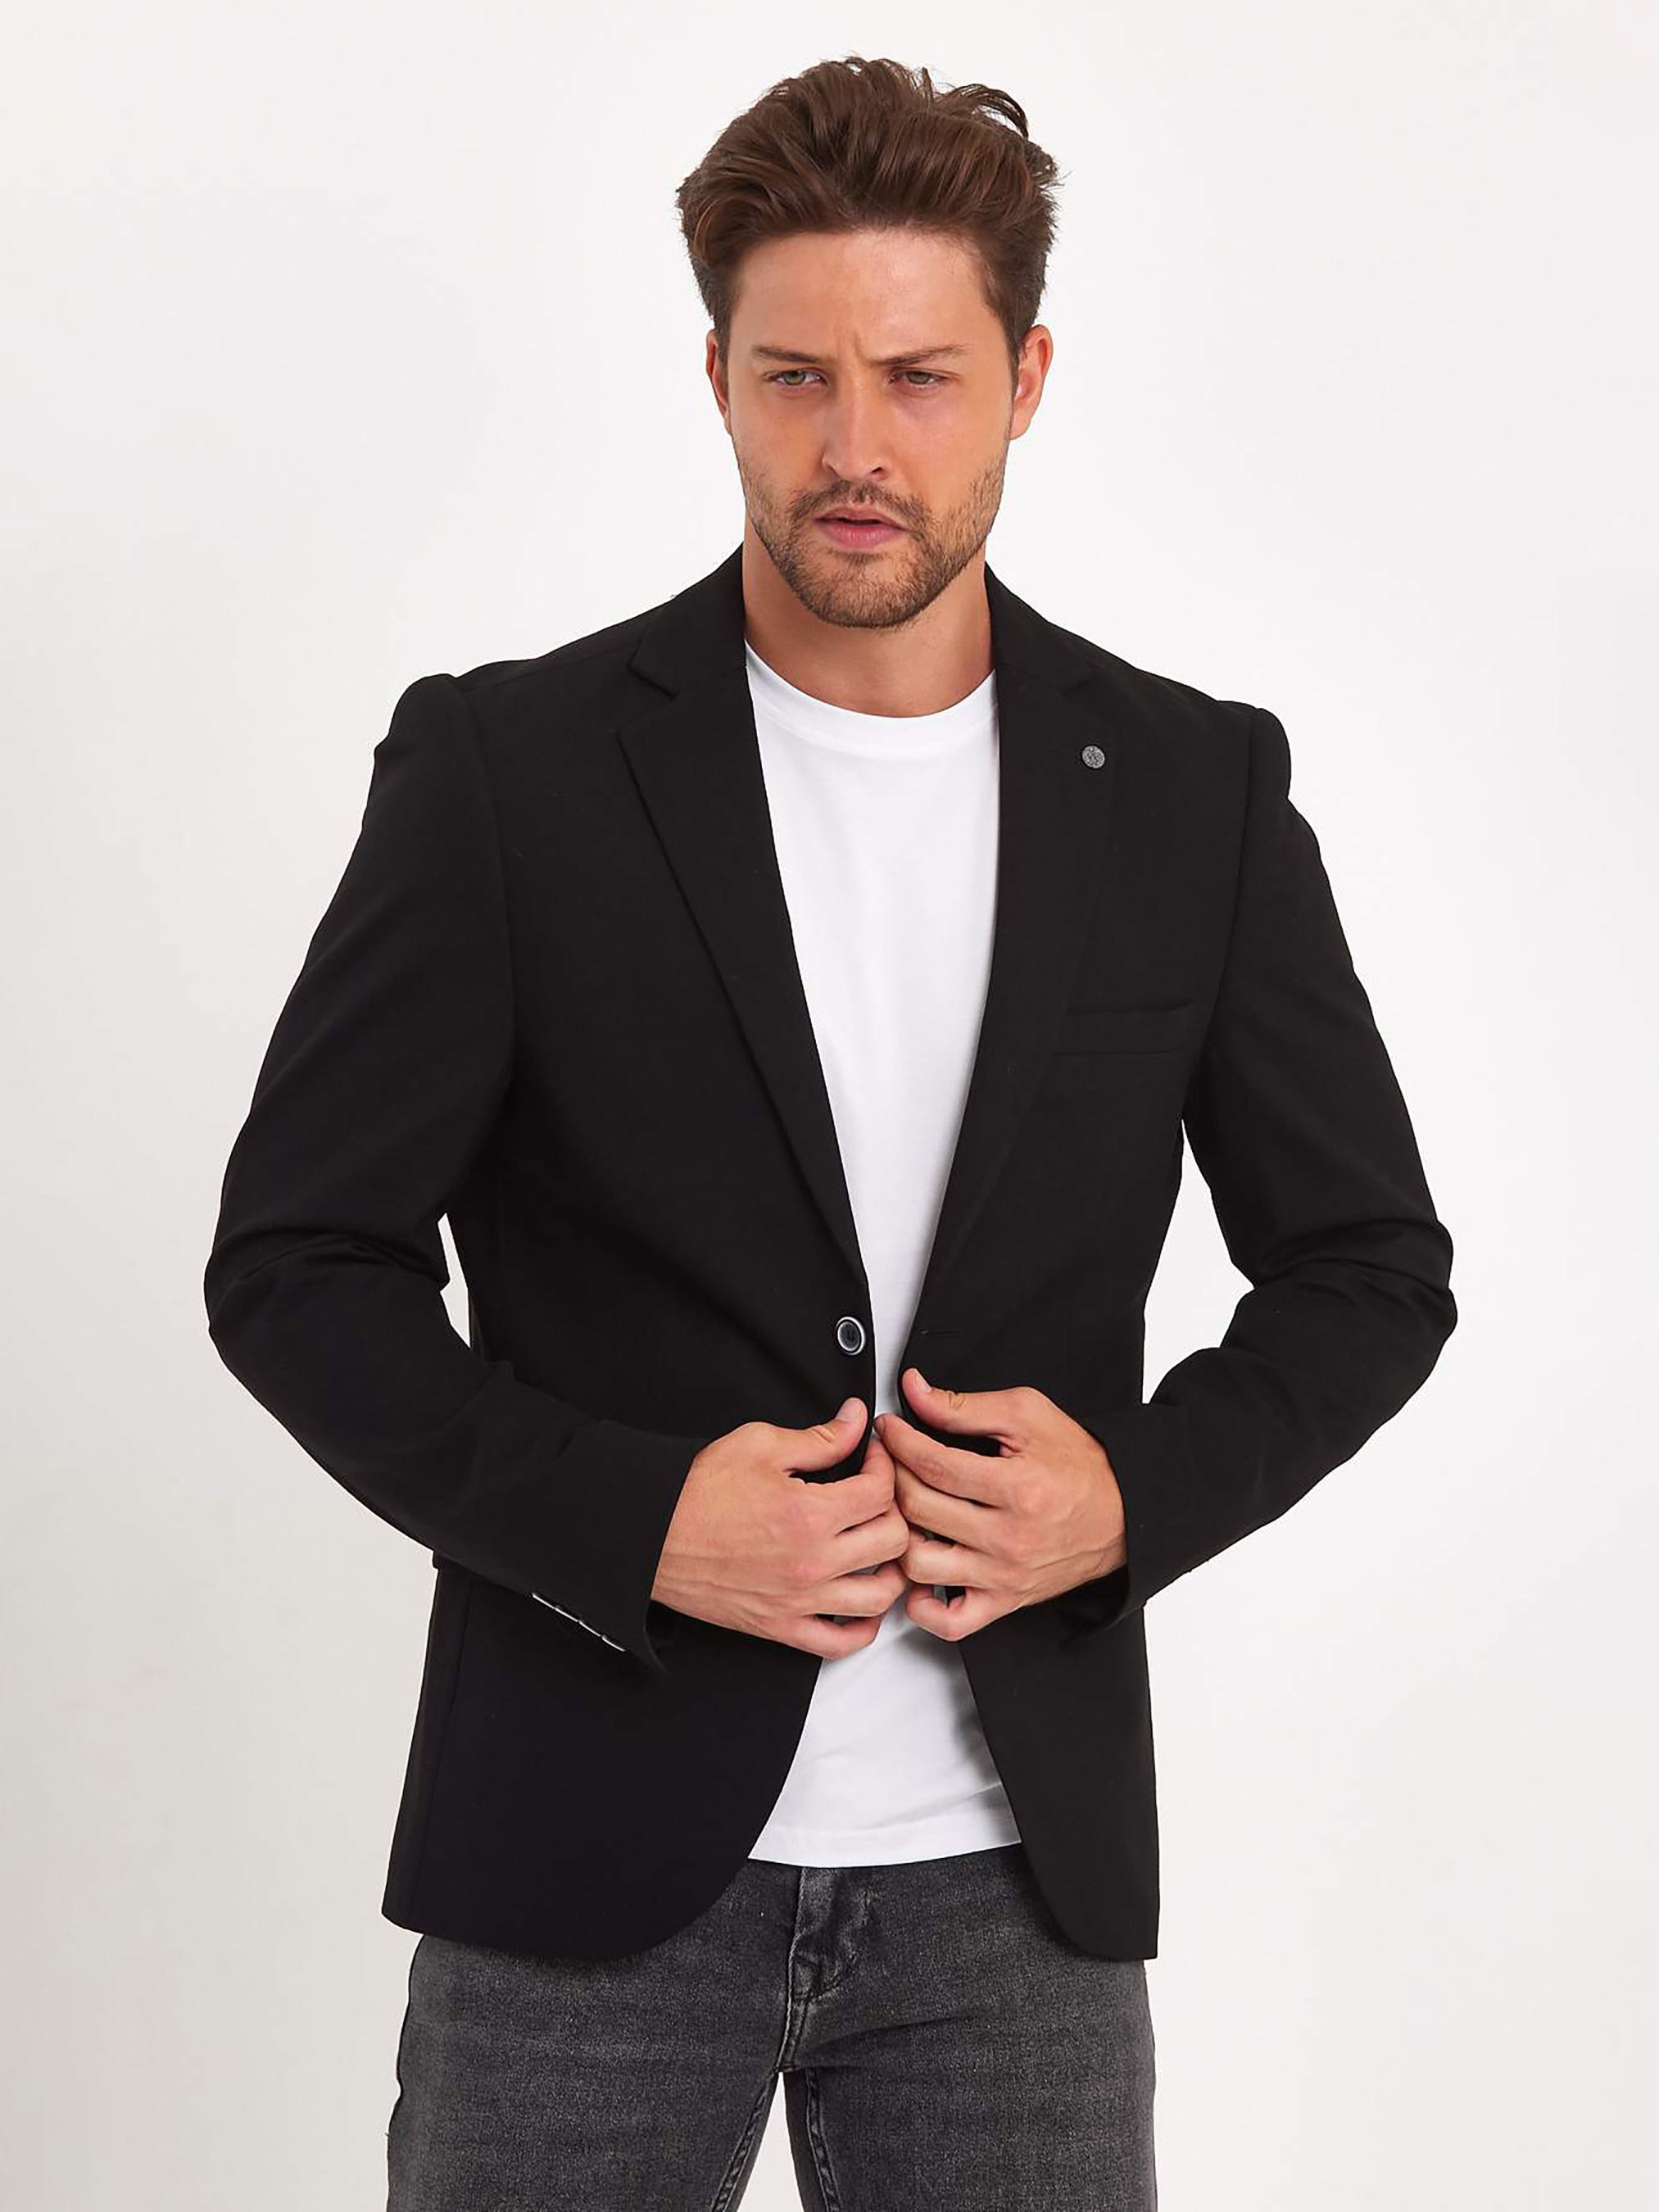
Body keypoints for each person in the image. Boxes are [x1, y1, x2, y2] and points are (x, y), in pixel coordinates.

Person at [203, 53, 1457, 2211]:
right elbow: (297, 1267)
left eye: (919, 377)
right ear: (716, 376)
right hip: (577, 1868)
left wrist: (1126, 1500)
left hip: (1013, 1890)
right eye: (795, 377)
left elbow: (1367, 1271)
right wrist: (633, 1522)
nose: (855, 447)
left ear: (1026, 380)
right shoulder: (509, 774)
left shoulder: (1193, 794)